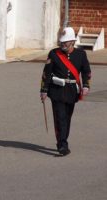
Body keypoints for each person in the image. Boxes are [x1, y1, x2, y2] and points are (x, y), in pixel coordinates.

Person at [40, 27, 91, 156]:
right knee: (60, 118)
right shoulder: (53, 53)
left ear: (72, 41)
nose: (62, 44)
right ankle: (62, 145)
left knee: (67, 118)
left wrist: (85, 85)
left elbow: (86, 72)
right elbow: (47, 73)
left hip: (72, 91)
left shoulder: (81, 54)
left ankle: (63, 139)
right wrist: (44, 90)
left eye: (65, 42)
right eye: (61, 41)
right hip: (56, 90)